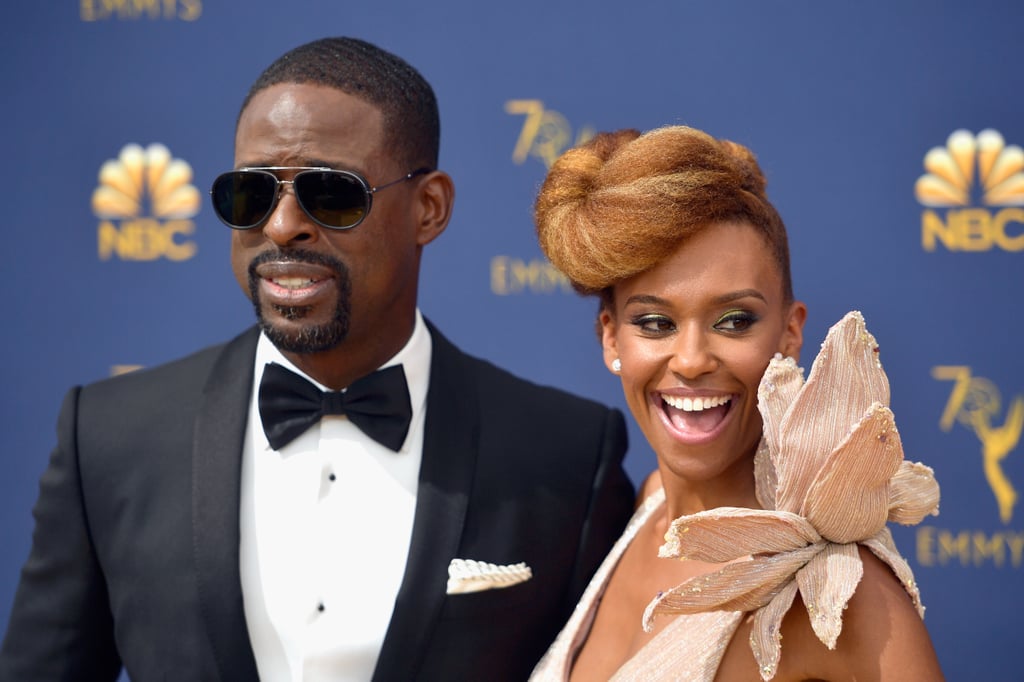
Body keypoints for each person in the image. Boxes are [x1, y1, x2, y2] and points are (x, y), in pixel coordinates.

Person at [0, 37, 635, 682]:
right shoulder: (108, 436)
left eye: (331, 193)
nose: (281, 226)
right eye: (250, 193)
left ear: (429, 208)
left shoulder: (565, 456)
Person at [528, 126, 944, 680]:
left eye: (734, 321)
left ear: (791, 333)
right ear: (611, 339)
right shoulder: (648, 508)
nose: (692, 358)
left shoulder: (839, 592)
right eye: (655, 323)